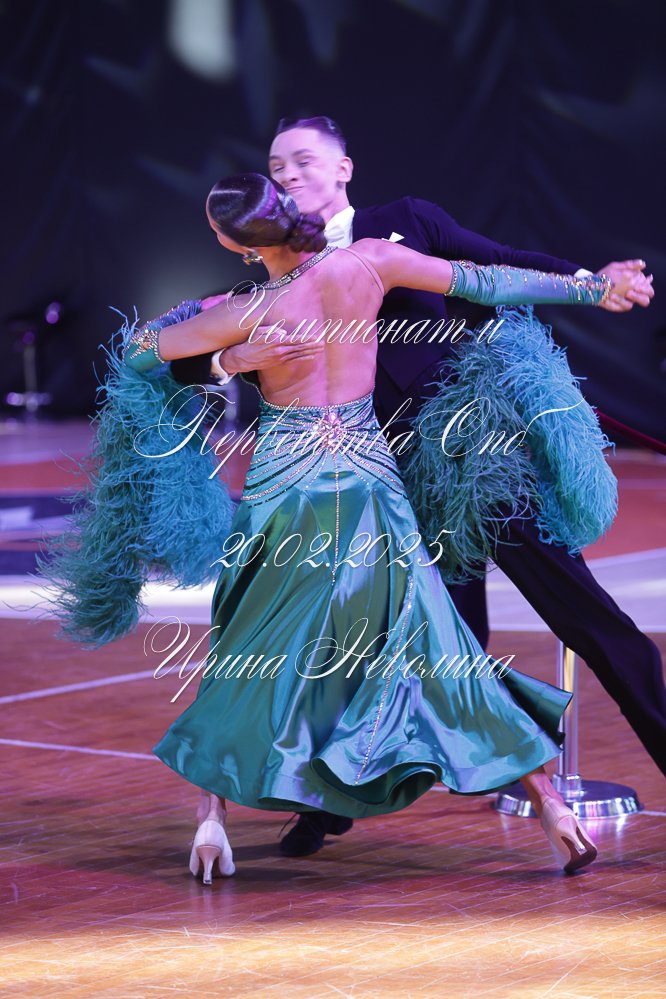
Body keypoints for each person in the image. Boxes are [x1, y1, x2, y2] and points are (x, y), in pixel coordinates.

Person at [122, 172, 643, 885]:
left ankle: (211, 819)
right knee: (436, 639)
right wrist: (594, 287)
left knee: (246, 641)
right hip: (370, 483)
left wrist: (225, 360)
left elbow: (139, 352)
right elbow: (489, 280)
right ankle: (550, 805)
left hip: (288, 495)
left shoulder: (244, 311)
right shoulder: (368, 263)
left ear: (234, 244)